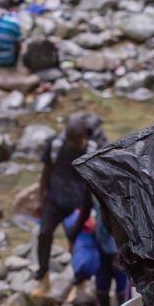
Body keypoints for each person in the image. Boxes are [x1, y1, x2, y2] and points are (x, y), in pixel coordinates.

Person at [34, 114, 97, 291]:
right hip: (54, 199)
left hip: (79, 205)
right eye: (70, 140)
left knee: (77, 239)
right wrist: (40, 200)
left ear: (85, 136)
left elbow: (94, 185)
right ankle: (43, 275)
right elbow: (45, 174)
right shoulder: (54, 145)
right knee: (44, 233)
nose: (73, 144)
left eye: (76, 141)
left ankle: (80, 280)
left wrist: (92, 214)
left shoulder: (93, 150)